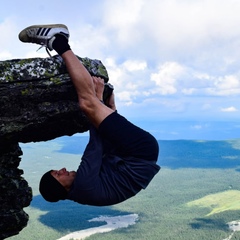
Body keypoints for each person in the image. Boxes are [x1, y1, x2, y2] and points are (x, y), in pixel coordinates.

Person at [18, 24, 160, 206]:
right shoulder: (84, 186)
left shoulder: (82, 191)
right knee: (86, 103)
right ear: (61, 188)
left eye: (57, 170)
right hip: (138, 151)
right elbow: (96, 144)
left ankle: (60, 44)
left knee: (93, 106)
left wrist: (110, 111)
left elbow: (107, 154)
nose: (62, 169)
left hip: (136, 153)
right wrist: (97, 102)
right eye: (57, 174)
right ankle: (58, 40)